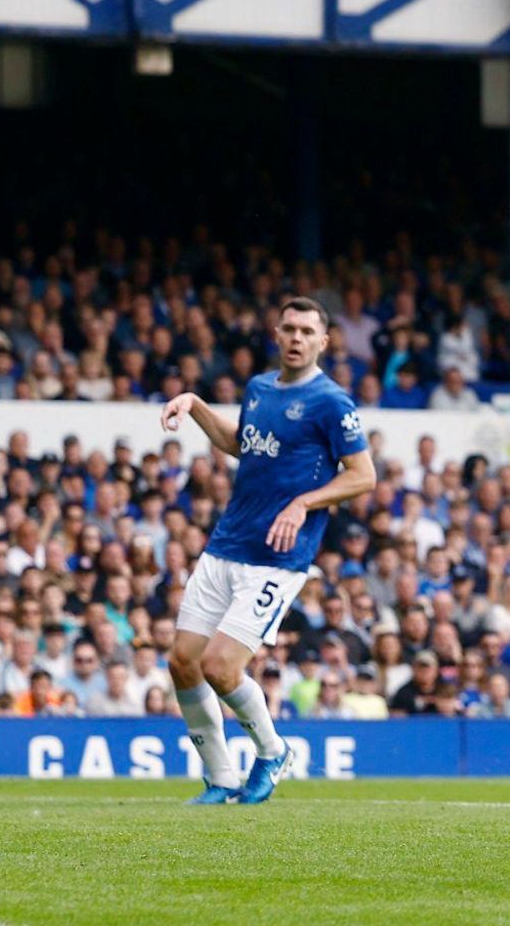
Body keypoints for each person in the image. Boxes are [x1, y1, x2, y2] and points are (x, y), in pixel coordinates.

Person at [159, 297, 375, 805]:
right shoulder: (258, 389)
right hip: (227, 544)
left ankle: (272, 751)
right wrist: (193, 403)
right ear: (276, 335)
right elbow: (242, 444)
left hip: (278, 558)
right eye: (289, 329)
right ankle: (220, 778)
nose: (297, 338)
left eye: (307, 331)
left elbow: (364, 476)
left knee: (220, 665)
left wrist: (304, 503)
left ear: (323, 341)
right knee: (182, 662)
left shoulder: (332, 402)